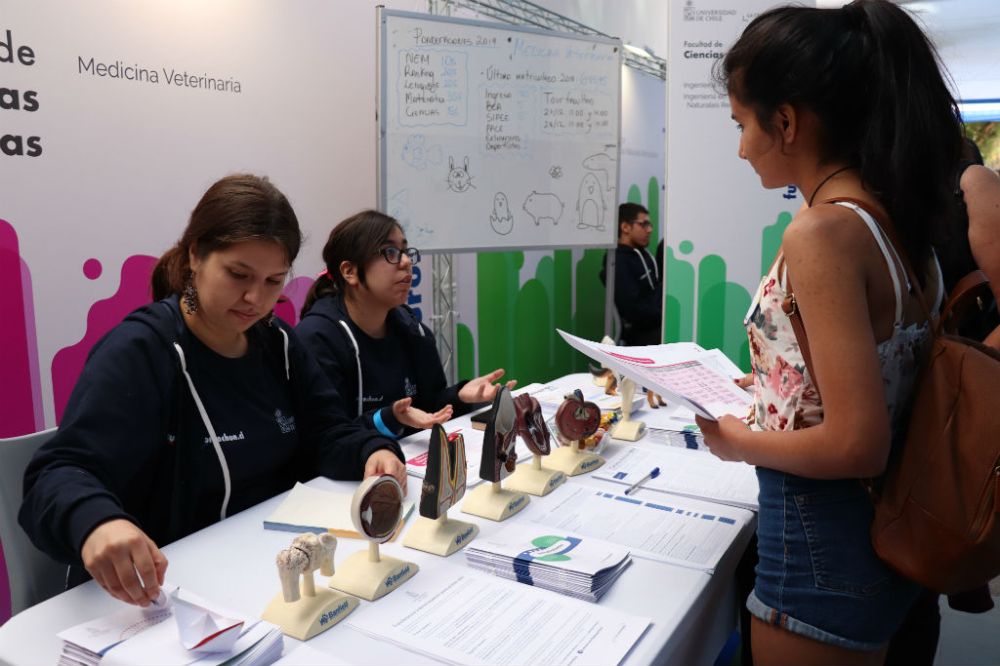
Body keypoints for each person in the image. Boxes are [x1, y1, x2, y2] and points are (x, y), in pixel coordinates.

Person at [698, 1, 964, 663]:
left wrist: (739, 442)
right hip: (890, 547)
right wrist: (767, 389)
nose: (739, 147)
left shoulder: (820, 233)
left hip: (820, 554)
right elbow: (873, 384)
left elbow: (857, 442)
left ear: (785, 122)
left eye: (742, 124)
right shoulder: (900, 227)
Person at [19, 174, 406, 608]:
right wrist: (97, 523)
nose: (254, 299)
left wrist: (370, 450)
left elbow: (327, 431)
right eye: (238, 274)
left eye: (273, 281)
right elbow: (56, 475)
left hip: (264, 579)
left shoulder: (277, 343)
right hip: (169, 594)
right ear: (194, 256)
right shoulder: (142, 352)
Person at [885, 139, 1000, 665]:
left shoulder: (969, 181)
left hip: (955, 396)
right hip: (905, 395)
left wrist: (971, 369)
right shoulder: (879, 187)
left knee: (934, 530)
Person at [296, 209, 514, 440]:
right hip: (355, 475)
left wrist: (460, 396)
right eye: (390, 252)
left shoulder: (412, 329)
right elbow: (328, 439)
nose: (407, 262)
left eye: (405, 251)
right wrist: (390, 417)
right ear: (349, 271)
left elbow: (430, 407)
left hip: (408, 466)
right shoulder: (316, 339)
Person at [599, 203, 662, 345]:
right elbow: (633, 310)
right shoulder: (617, 261)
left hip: (655, 325)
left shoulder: (644, 254)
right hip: (641, 334)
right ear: (625, 227)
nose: (650, 230)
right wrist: (665, 314)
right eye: (644, 224)